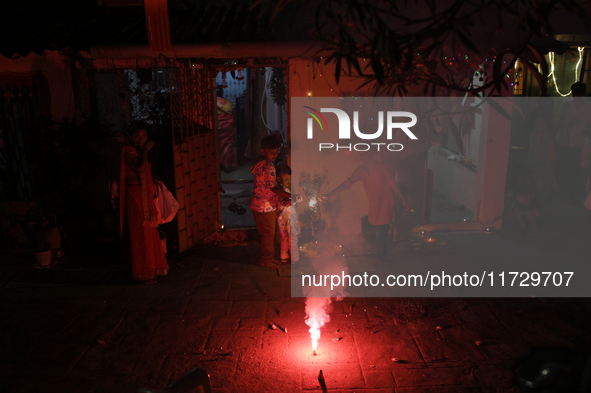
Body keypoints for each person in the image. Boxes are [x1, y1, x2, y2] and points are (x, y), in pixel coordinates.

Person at [321, 150, 409, 260]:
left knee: (380, 230)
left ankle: (378, 257)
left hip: (385, 202)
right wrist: (330, 194)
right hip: (374, 203)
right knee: (377, 230)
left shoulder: (382, 167)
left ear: (373, 154)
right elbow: (347, 183)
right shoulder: (360, 170)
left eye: (364, 154)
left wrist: (403, 199)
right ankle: (383, 254)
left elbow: (393, 183)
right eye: (360, 154)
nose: (361, 156)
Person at [119, 122, 169, 284]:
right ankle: (143, 271)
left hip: (144, 195)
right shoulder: (129, 151)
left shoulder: (139, 152)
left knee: (149, 233)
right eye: (137, 136)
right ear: (131, 137)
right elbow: (139, 171)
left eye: (144, 136)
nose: (141, 139)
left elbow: (144, 173)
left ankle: (152, 268)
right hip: (135, 197)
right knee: (141, 234)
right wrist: (146, 151)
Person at [249, 135, 291, 268]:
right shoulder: (268, 167)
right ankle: (265, 259)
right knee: (267, 234)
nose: (275, 155)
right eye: (272, 152)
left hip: (262, 204)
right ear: (263, 151)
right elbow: (272, 188)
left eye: (276, 152)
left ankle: (268, 257)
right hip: (264, 206)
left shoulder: (261, 163)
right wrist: (290, 196)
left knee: (267, 234)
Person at [554, 82, 591, 201]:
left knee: (576, 169)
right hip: (564, 142)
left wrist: (587, 132)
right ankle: (566, 192)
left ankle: (573, 194)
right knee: (564, 168)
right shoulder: (565, 106)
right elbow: (556, 123)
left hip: (580, 144)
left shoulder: (589, 107)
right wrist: (567, 124)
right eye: (575, 93)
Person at [273, 164, 303, 263]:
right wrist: (294, 199)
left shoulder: (280, 189)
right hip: (288, 220)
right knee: (292, 239)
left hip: (283, 219)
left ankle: (284, 257)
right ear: (279, 178)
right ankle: (295, 259)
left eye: (289, 179)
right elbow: (285, 203)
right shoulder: (282, 191)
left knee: (284, 239)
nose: (288, 181)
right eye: (286, 179)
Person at [217, 87, 239, 173]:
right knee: (228, 144)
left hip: (218, 126)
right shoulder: (227, 102)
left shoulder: (211, 101)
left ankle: (218, 164)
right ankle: (225, 164)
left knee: (217, 144)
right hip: (228, 126)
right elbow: (233, 113)